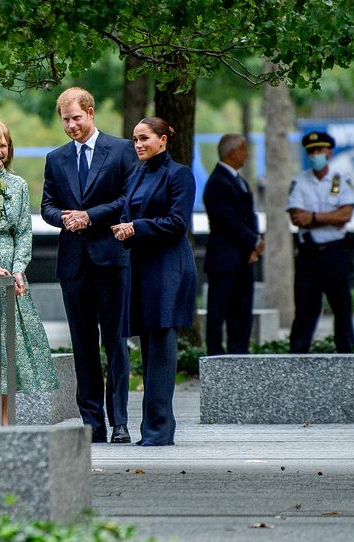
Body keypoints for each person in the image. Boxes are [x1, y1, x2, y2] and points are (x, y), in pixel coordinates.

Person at [41, 87, 137, 444]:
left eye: (76, 118)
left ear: (91, 113)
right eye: (65, 120)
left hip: (112, 260)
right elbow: (47, 205)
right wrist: (64, 218)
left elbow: (128, 199)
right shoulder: (56, 158)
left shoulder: (122, 151)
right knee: (83, 345)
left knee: (115, 342)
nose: (71, 126)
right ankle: (92, 421)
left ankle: (121, 422)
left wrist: (89, 216)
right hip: (74, 264)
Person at [111, 117, 197, 447]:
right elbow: (128, 213)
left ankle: (160, 430)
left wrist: (137, 228)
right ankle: (151, 428)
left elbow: (177, 223)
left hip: (168, 270)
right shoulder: (137, 174)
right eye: (135, 139)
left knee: (162, 348)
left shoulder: (179, 175)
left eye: (144, 138)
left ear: (163, 140)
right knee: (148, 348)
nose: (138, 145)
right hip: (142, 268)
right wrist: (124, 228)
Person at [0, 116, 59, 425]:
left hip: (11, 273)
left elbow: (24, 231)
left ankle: (7, 418)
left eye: (3, 145)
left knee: (9, 347)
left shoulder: (19, 185)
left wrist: (18, 269)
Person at [287, 131, 354, 354]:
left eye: (319, 150)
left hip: (336, 252)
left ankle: (347, 356)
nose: (315, 155)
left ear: (329, 152)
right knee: (305, 308)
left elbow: (345, 215)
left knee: (342, 307)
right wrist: (329, 217)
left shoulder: (342, 179)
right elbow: (298, 218)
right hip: (309, 254)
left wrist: (315, 218)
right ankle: (297, 358)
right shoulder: (299, 181)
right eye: (311, 151)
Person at [203, 134, 264, 356]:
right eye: (244, 149)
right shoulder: (218, 182)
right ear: (232, 153)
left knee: (241, 312)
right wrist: (254, 241)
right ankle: (216, 357)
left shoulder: (238, 180)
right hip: (224, 260)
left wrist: (253, 247)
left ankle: (239, 353)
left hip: (242, 258)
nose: (246, 154)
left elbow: (248, 217)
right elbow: (228, 221)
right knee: (219, 311)